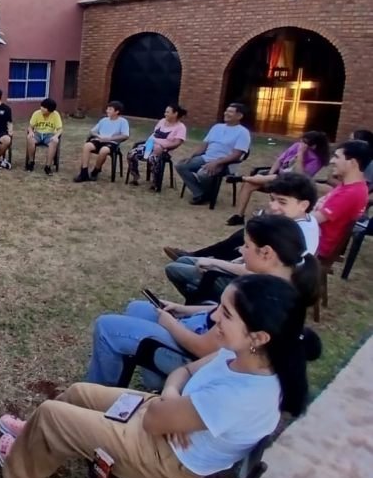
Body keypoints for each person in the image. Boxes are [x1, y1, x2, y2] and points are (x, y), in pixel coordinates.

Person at [0, 274, 315, 478]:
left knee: (54, 416)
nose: (215, 317)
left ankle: (17, 473)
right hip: (166, 418)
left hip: (164, 460)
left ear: (258, 336)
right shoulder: (244, 356)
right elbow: (185, 372)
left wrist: (168, 403)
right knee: (78, 392)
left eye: (227, 314)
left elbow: (152, 423)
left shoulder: (241, 395)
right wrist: (173, 397)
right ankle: (37, 440)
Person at [86, 214, 318, 390]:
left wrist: (170, 323)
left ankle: (96, 393)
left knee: (107, 326)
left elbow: (204, 348)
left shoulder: (265, 297)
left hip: (194, 357)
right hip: (197, 330)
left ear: (266, 253)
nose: (240, 250)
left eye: (246, 246)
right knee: (136, 307)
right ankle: (141, 373)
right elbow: (221, 311)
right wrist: (183, 309)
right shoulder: (271, 283)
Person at [165, 173, 320, 302]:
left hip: (260, 289)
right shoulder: (295, 221)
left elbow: (262, 275)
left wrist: (216, 263)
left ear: (303, 205)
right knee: (184, 262)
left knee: (175, 269)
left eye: (282, 202)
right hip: (250, 271)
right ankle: (204, 301)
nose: (273, 206)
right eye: (272, 199)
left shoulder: (297, 234)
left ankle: (207, 303)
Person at [226, 130, 329, 226]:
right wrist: (270, 172)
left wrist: (301, 155)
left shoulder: (316, 160)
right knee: (250, 184)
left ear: (313, 146)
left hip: (293, 184)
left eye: (304, 142)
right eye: (301, 140)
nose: (301, 144)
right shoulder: (296, 146)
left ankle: (243, 178)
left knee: (275, 177)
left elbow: (300, 175)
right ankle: (239, 216)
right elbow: (280, 160)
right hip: (277, 177)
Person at [176, 103, 251, 204]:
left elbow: (236, 155)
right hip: (206, 157)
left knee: (202, 174)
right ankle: (200, 193)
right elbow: (204, 145)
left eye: (230, 112)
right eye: (226, 111)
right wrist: (192, 156)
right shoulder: (217, 127)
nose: (226, 113)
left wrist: (217, 163)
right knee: (181, 166)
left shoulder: (243, 132)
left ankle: (204, 195)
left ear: (239, 116)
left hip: (225, 163)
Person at [312, 139, 371, 261]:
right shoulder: (351, 186)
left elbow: (312, 219)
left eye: (337, 157)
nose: (332, 161)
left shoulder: (351, 193)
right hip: (315, 238)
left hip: (316, 246)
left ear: (352, 163)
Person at [126, 105, 188, 189]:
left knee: (153, 158)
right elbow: (154, 134)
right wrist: (151, 144)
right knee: (131, 154)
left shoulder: (180, 127)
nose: (165, 114)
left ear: (175, 114)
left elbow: (177, 143)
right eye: (165, 112)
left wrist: (163, 146)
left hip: (164, 150)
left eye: (167, 112)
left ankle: (155, 183)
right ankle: (135, 176)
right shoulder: (162, 121)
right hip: (150, 145)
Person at [73, 101, 130, 183]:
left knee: (104, 150)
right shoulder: (104, 120)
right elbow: (92, 131)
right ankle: (83, 172)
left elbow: (125, 135)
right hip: (99, 140)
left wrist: (109, 138)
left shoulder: (123, 121)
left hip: (112, 142)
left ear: (117, 112)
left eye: (110, 109)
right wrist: (99, 136)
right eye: (107, 109)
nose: (107, 111)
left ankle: (96, 170)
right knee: (87, 146)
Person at [318, 129, 373, 194]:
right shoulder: (352, 158)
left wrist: (332, 180)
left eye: (352, 140)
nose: (348, 142)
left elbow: (360, 189)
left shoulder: (369, 164)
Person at [25, 98, 63, 175]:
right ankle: (31, 162)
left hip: (49, 134)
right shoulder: (36, 113)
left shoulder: (55, 115)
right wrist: (31, 131)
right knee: (30, 139)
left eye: (44, 107)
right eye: (41, 106)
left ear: (49, 110)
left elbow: (60, 129)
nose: (41, 108)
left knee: (54, 142)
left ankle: (48, 166)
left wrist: (56, 136)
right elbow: (30, 126)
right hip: (38, 133)